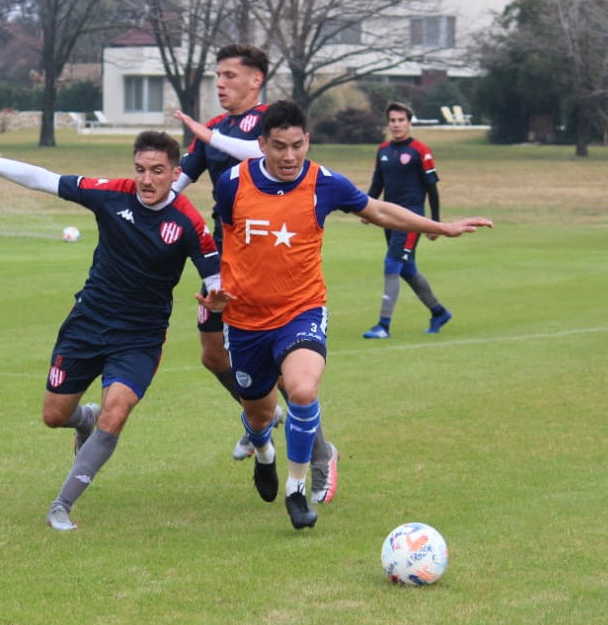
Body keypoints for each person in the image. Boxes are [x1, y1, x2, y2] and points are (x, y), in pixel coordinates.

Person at [197, 100, 492, 529]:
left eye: (297, 146)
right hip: (245, 321)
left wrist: (441, 227)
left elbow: (379, 210)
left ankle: (296, 489)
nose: (289, 156)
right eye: (278, 147)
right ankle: (263, 450)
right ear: (261, 145)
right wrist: (219, 292)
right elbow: (228, 244)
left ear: (307, 141)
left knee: (301, 390)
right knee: (259, 414)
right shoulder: (232, 184)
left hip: (301, 310)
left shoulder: (324, 183)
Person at [0, 131, 227, 531]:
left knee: (115, 412)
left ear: (176, 173)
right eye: (140, 169)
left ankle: (61, 505)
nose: (146, 180)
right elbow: (43, 178)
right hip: (88, 323)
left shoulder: (188, 221)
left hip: (140, 336)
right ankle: (84, 420)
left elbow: (215, 280)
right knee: (54, 416)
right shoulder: (111, 194)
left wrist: (216, 301)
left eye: (157, 171)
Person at [172, 43, 339, 504]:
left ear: (255, 80)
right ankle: (260, 416)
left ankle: (321, 456)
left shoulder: (268, 125)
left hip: (269, 261)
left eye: (229, 75)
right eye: (218, 75)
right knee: (212, 355)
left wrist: (209, 138)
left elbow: (254, 152)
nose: (220, 83)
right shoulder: (212, 129)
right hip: (222, 262)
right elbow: (177, 182)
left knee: (290, 374)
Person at [362, 101, 450, 339]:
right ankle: (439, 312)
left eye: (401, 120)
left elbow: (432, 188)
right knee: (407, 268)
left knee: (392, 264)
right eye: (392, 120)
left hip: (411, 219)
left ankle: (383, 326)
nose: (396, 124)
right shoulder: (383, 150)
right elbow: (377, 184)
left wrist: (435, 223)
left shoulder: (420, 150)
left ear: (409, 123)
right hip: (388, 218)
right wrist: (365, 208)